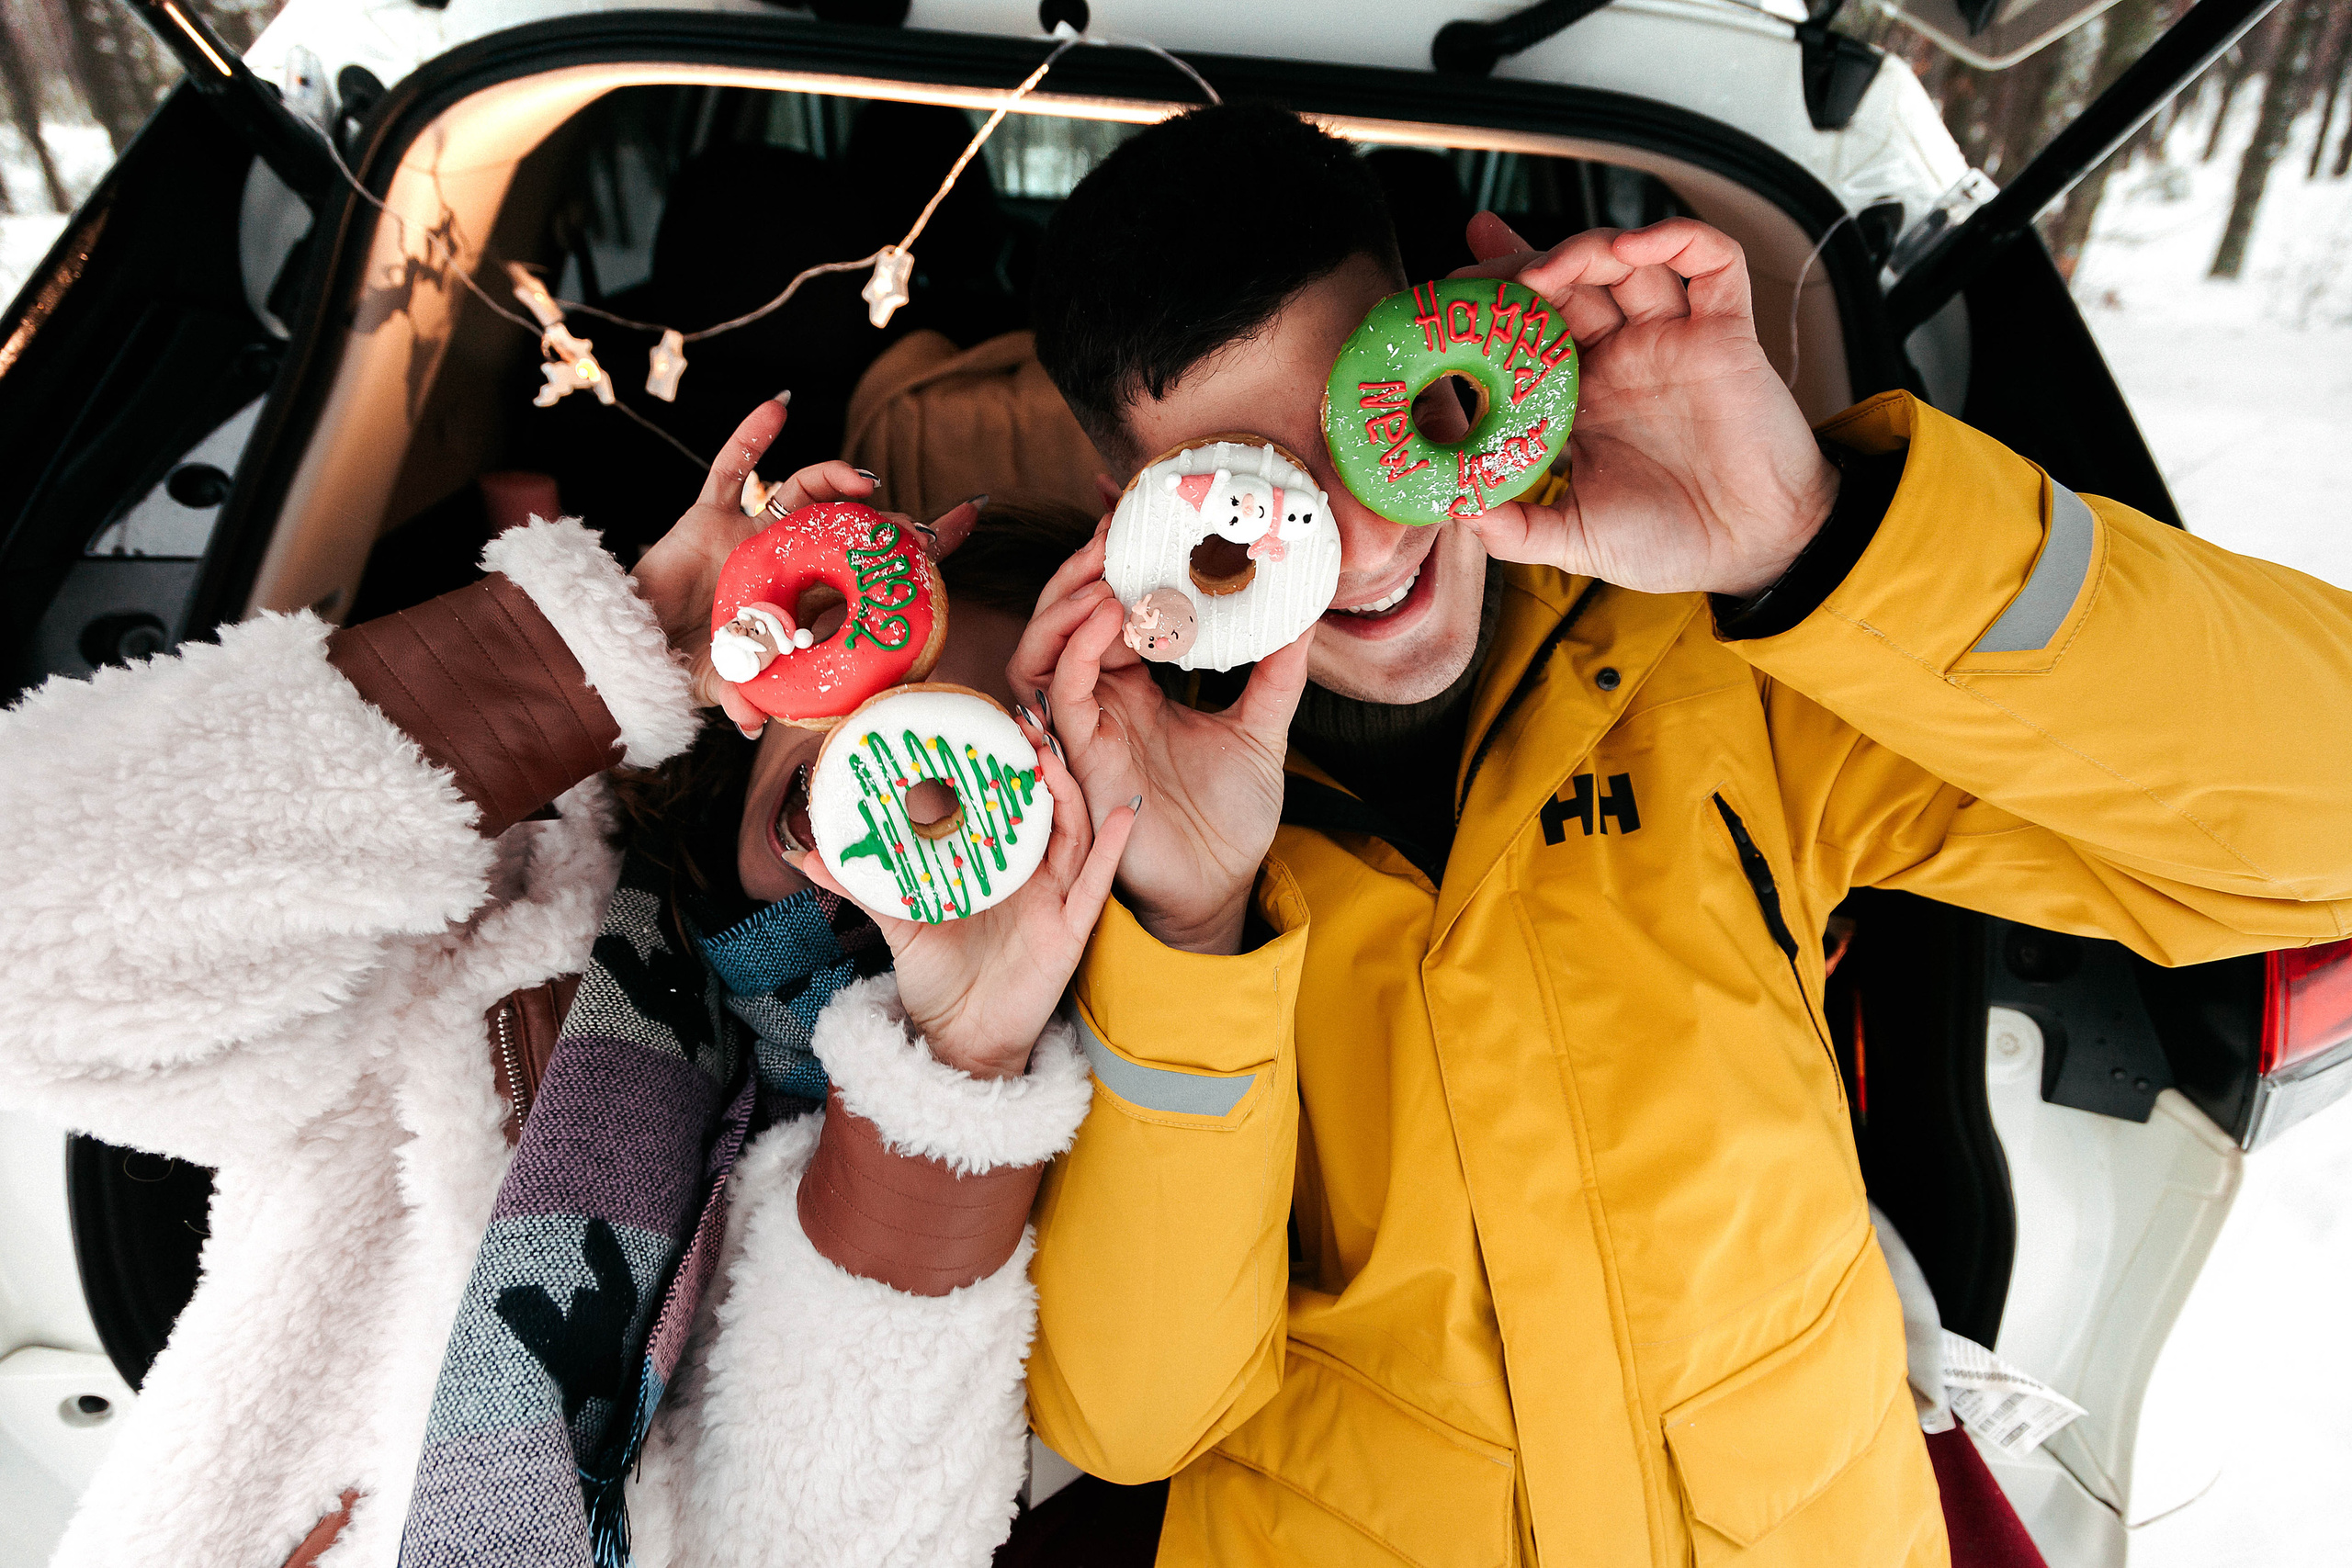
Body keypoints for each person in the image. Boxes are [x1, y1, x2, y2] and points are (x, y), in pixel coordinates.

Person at [1011, 102, 2352, 1567]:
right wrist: (1192, 930)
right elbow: (1135, 1417)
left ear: (1462, 350)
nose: (1372, 539)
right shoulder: (1091, 817)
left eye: (1390, 422)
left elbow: (2320, 819)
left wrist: (1810, 537)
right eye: (1252, 498)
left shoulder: (1722, 667)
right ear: (1133, 515)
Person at [0, 400, 1125, 1568]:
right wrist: (590, 656)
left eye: (984, 760)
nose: (896, 778)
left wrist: (953, 1071)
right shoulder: (483, 919)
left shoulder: (1012, 1153)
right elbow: (30, 933)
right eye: (877, 698)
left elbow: (824, 1541)